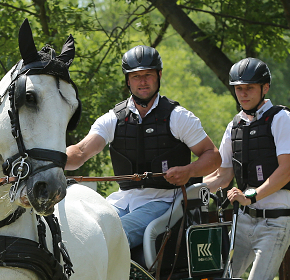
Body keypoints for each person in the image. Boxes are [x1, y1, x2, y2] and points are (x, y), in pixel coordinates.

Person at [66, 45, 220, 249]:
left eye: (148, 75)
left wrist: (189, 171)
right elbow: (80, 152)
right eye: (136, 76)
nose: (143, 81)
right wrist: (52, 159)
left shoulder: (178, 117)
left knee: (114, 233)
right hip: (122, 201)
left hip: (166, 203)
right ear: (128, 80)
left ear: (159, 75)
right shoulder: (113, 119)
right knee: (82, 228)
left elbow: (213, 156)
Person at [203, 57, 290, 280]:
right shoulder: (234, 126)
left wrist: (252, 195)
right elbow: (223, 176)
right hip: (244, 221)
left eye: (249, 88)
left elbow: (287, 171)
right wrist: (189, 189)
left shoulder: (281, 119)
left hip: (277, 222)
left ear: (265, 88)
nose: (243, 94)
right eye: (239, 89)